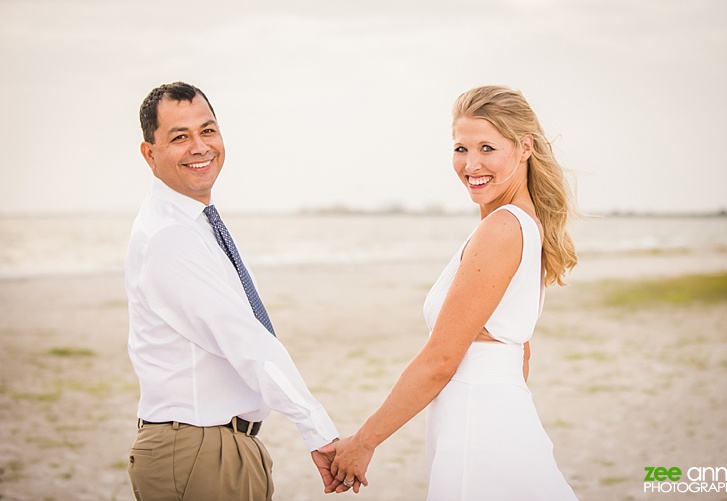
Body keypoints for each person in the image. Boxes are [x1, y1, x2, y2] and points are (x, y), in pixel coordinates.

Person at [320, 85, 579, 499]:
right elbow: (522, 353)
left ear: (525, 147)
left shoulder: (501, 228)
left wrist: (364, 441)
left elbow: (442, 359)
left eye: (487, 148)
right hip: (497, 417)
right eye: (461, 148)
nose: (471, 164)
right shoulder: (524, 225)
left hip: (478, 425)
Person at [125, 81, 341, 500]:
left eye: (207, 131)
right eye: (179, 137)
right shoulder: (171, 237)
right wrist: (317, 428)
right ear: (149, 154)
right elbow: (246, 341)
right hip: (197, 452)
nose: (200, 146)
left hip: (217, 446)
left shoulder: (196, 224)